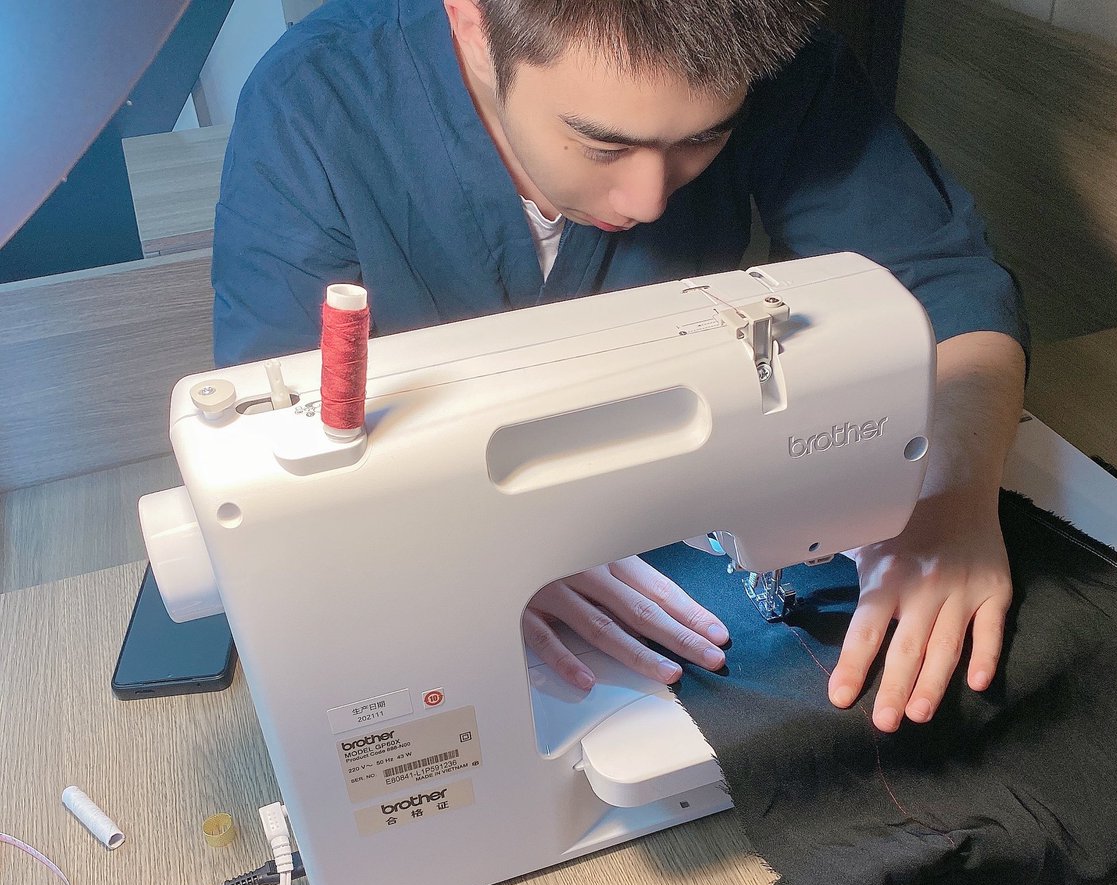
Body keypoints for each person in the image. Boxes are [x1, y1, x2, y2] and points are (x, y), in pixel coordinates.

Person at [212, 0, 1029, 733]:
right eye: (604, 143)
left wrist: (949, 500)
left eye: (704, 138)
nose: (649, 201)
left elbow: (942, 283)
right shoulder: (316, 103)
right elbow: (279, 447)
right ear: (473, 24)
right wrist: (474, 557)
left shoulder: (772, 49)